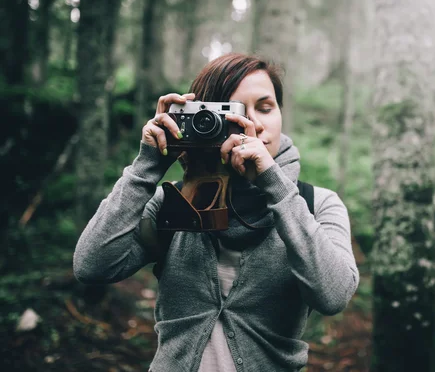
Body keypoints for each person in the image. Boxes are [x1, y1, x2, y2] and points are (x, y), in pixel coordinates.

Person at [73, 53, 359, 372]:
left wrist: (273, 183)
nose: (255, 124)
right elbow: (92, 266)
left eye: (266, 107)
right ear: (205, 117)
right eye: (234, 112)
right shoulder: (175, 203)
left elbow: (334, 296)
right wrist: (147, 165)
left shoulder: (316, 204)